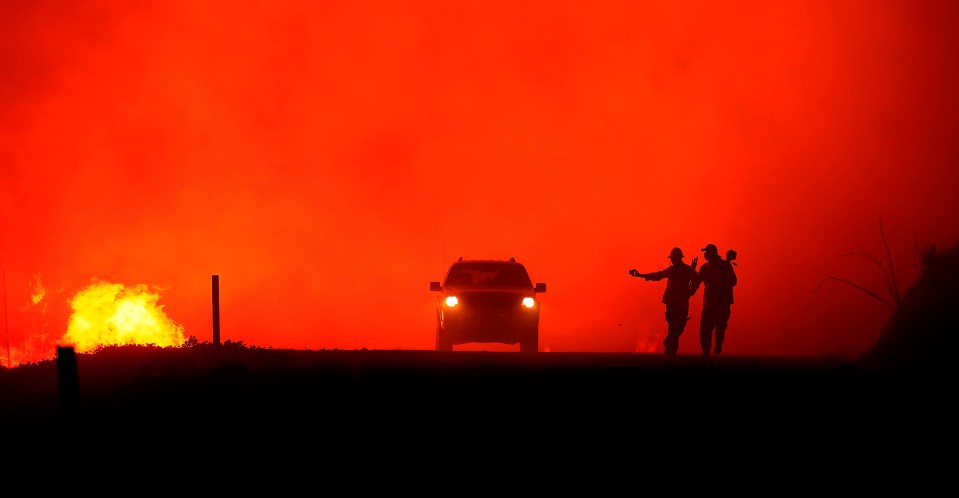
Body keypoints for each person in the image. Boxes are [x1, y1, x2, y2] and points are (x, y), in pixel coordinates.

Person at [629, 247, 698, 356]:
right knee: (673, 327)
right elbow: (657, 275)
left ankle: (669, 343)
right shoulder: (671, 270)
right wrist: (640, 275)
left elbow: (695, 282)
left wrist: (691, 286)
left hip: (682, 301)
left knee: (679, 326)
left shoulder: (687, 270)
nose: (673, 260)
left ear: (679, 258)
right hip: (672, 302)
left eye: (675, 258)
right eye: (673, 258)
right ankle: (671, 351)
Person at [689, 243, 737, 356]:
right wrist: (692, 270)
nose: (705, 254)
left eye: (707, 252)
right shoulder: (705, 267)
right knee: (705, 329)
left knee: (720, 328)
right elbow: (696, 282)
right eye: (705, 252)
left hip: (722, 303)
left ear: (713, 253)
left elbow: (734, 281)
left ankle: (718, 346)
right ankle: (706, 352)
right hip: (709, 303)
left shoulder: (725, 266)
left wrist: (721, 283)